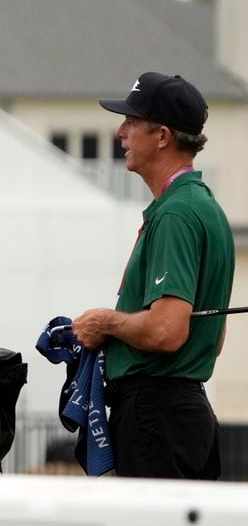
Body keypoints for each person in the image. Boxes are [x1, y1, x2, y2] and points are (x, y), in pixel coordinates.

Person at [72, 72, 235, 479]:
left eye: (131, 122)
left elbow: (167, 331)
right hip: (185, 413)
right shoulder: (205, 207)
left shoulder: (177, 213)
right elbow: (213, 340)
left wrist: (104, 322)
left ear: (162, 136)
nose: (120, 131)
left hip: (156, 414)